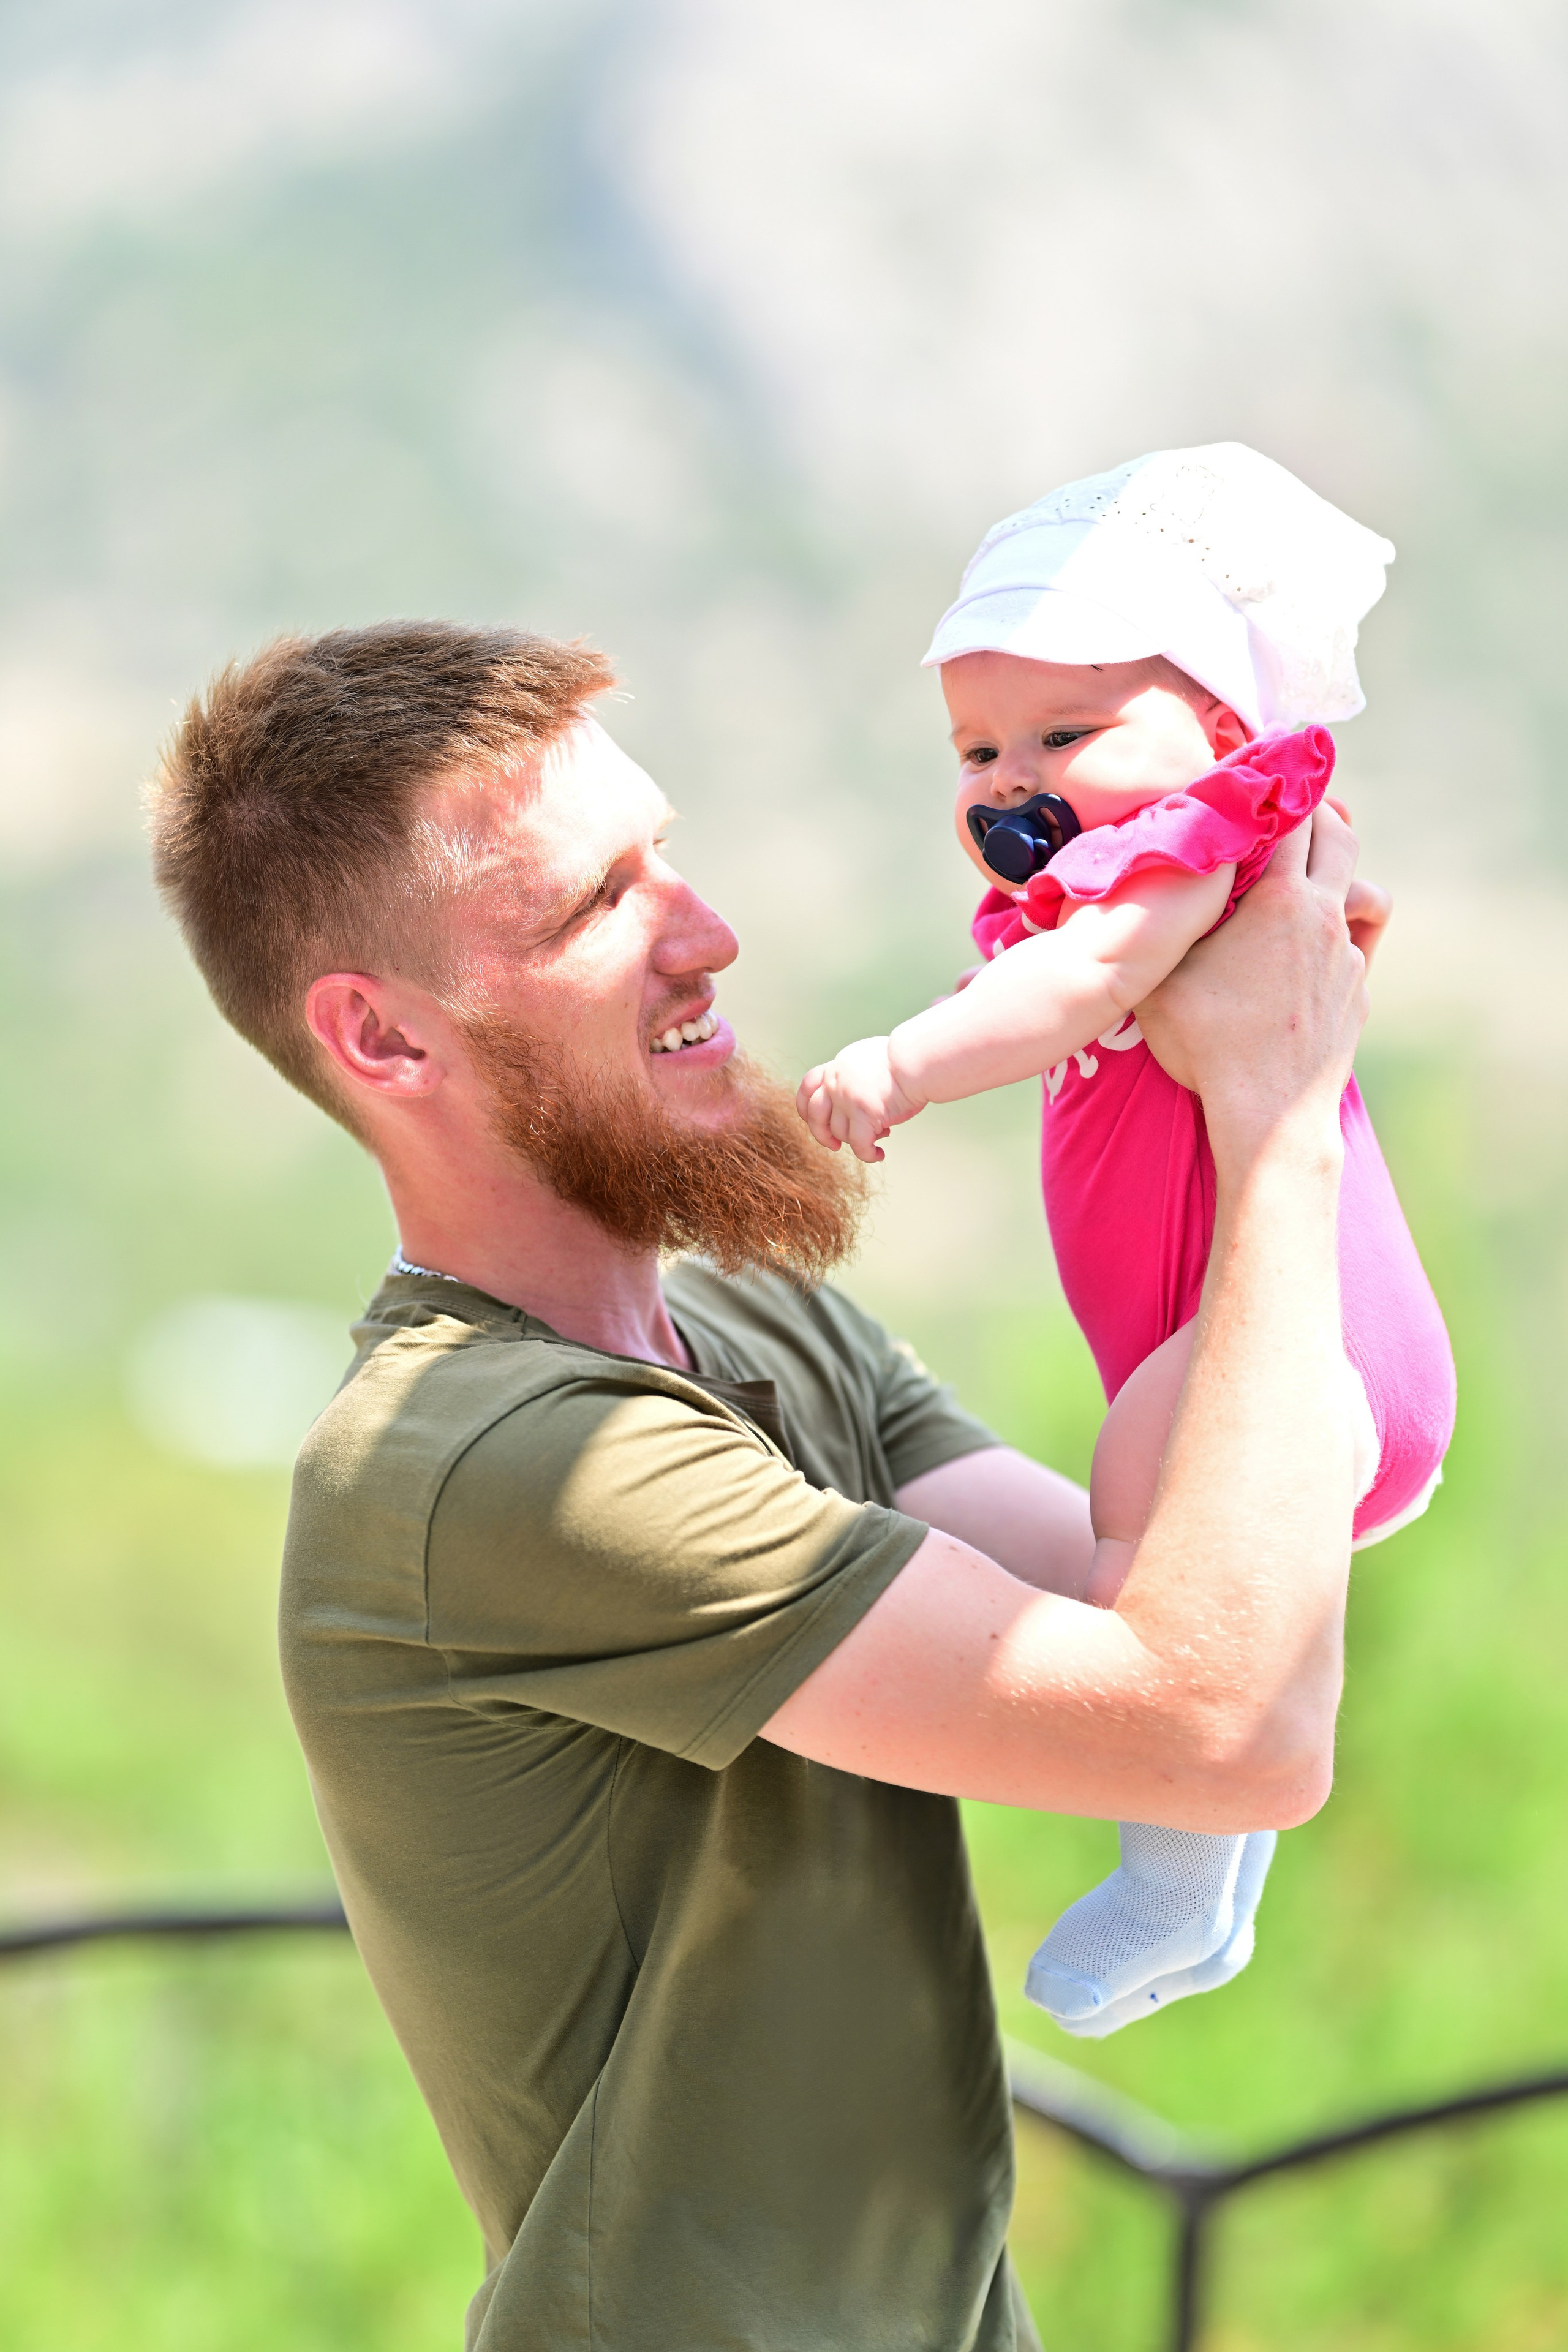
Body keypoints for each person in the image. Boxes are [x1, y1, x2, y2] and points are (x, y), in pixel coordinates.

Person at [148, 616, 1382, 2352]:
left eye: (667, 856)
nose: (706, 934)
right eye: (596, 906)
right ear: (385, 1039)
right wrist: (1281, 1118)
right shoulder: (506, 1463)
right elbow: (1221, 1730)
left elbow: (1153, 1598)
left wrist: (1193, 1026)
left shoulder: (754, 1329)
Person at [799, 446, 1455, 2038]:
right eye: (975, 746)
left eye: (1065, 732)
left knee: (1142, 1508)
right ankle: (1210, 1886)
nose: (1007, 774)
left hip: (1309, 1342)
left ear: (1225, 736)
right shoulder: (1137, 880)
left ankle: (1173, 1855)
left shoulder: (1188, 864)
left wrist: (897, 1067)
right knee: (1154, 1495)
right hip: (1237, 1328)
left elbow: (1075, 993)